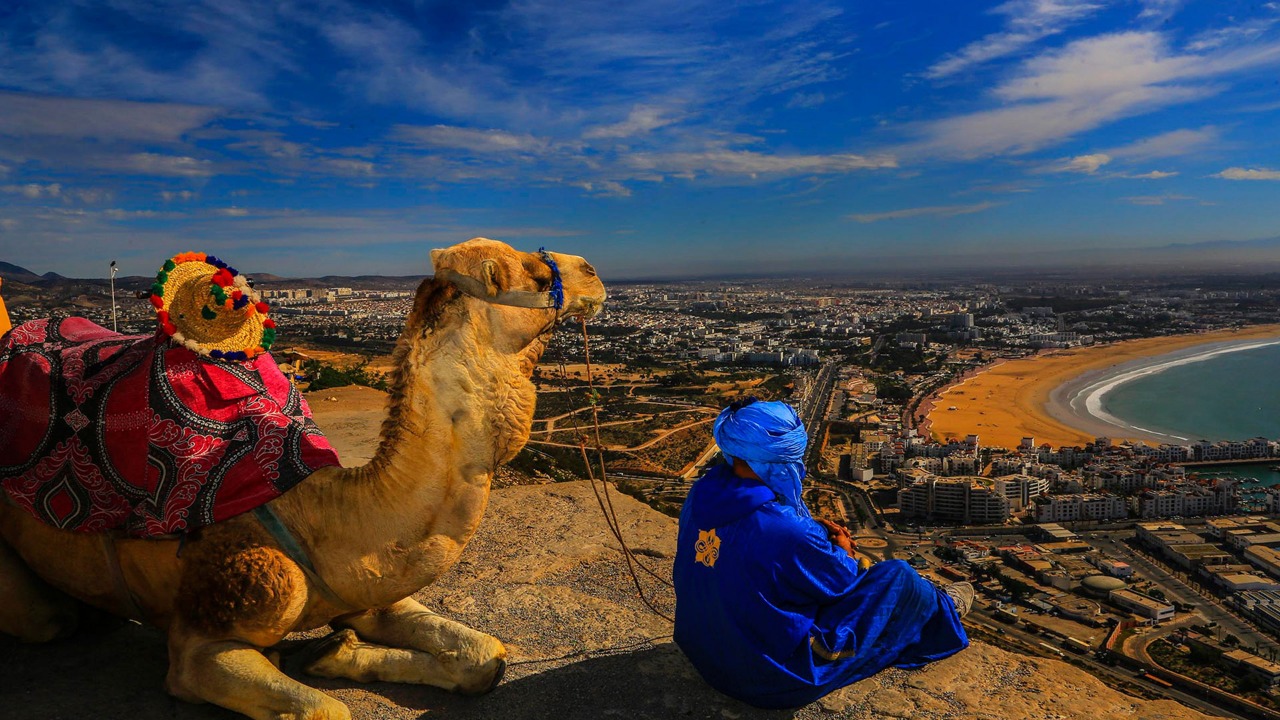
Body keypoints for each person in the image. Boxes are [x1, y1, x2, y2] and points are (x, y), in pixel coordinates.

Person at [673, 398, 971, 709]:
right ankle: (944, 609)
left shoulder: (701, 494)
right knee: (900, 579)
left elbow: (750, 539)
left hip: (703, 654)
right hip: (762, 678)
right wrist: (840, 549)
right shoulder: (789, 532)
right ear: (781, 460)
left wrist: (806, 533)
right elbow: (844, 582)